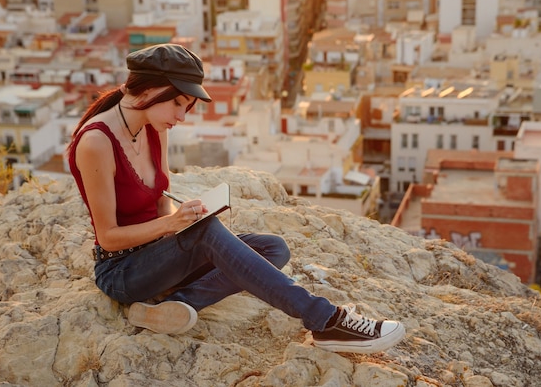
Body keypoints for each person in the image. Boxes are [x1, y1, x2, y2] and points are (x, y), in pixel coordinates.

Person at [67, 43, 405, 354]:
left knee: (274, 248)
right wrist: (175, 226)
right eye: (178, 104)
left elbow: (160, 202)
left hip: (157, 258)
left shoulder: (156, 128)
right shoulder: (97, 142)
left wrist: (181, 227)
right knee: (209, 234)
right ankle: (326, 320)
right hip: (122, 272)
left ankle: (172, 306)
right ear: (151, 89)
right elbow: (108, 238)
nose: (181, 117)